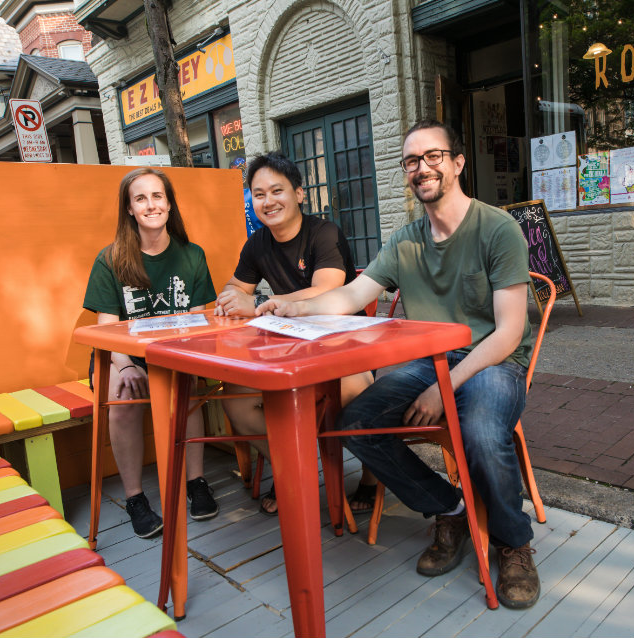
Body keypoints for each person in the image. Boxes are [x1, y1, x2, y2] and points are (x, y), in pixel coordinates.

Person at [255, 121, 540, 609]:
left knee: (481, 432)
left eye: (433, 156)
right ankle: (450, 509)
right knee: (356, 425)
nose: (421, 168)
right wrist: (292, 306)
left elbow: (510, 332)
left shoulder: (497, 228)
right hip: (430, 362)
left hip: (493, 361)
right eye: (412, 161)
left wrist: (444, 387)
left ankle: (514, 542)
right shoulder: (405, 239)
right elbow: (352, 294)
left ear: (457, 163)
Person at [214, 151, 378, 516]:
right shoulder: (257, 244)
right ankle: (292, 468)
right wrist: (232, 297)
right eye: (259, 194)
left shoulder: (324, 233)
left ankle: (371, 476)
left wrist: (257, 301)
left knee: (358, 396)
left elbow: (327, 289)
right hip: (289, 351)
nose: (268, 201)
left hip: (344, 346)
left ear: (299, 193)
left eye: (277, 190)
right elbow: (233, 286)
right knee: (234, 399)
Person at [83, 168, 218, 539]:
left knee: (186, 391)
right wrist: (125, 365)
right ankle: (135, 499)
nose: (151, 204)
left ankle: (196, 482)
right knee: (122, 398)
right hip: (120, 356)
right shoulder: (110, 260)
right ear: (129, 209)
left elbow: (196, 322)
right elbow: (107, 331)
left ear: (170, 204)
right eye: (140, 198)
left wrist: (182, 361)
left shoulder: (192, 255)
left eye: (158, 196)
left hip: (172, 352)